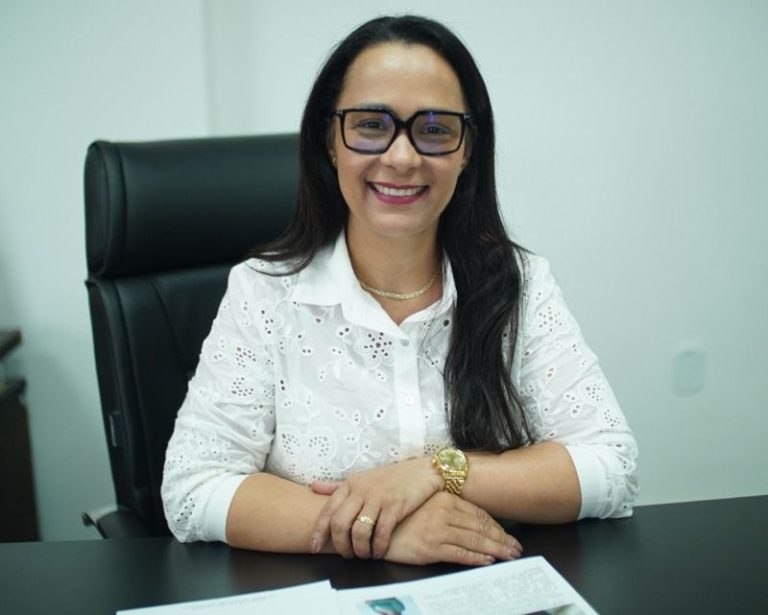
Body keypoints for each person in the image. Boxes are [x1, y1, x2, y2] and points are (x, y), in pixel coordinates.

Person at [161, 15, 638, 566]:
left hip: (488, 585)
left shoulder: (519, 284)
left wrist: (436, 473)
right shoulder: (264, 293)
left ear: (467, 149)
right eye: (371, 125)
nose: (402, 157)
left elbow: (611, 467)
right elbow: (194, 488)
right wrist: (381, 531)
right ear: (330, 140)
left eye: (434, 129)